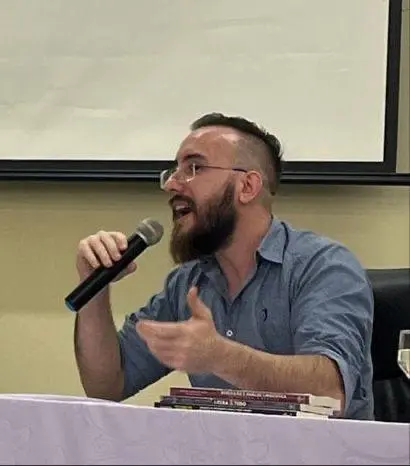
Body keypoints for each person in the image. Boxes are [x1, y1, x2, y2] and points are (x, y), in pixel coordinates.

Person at [73, 112, 374, 420]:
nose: (172, 184)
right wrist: (95, 286)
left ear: (247, 186)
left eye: (194, 168)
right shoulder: (187, 283)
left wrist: (220, 356)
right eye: (173, 171)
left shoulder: (323, 267)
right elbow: (106, 386)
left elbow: (330, 391)